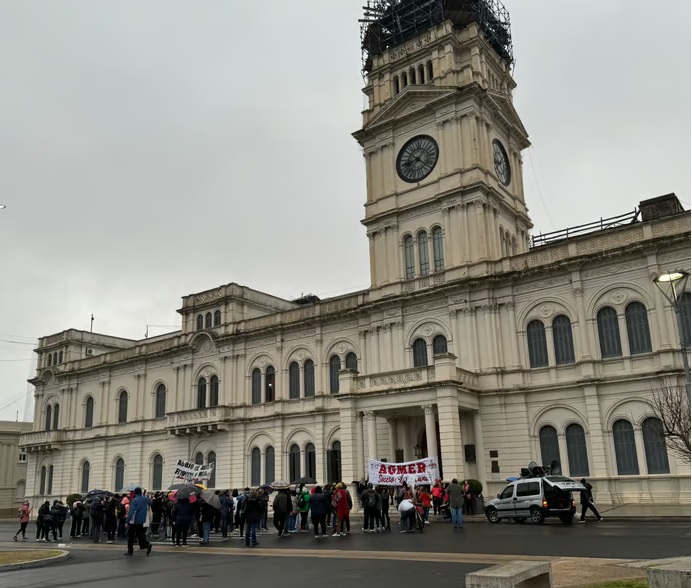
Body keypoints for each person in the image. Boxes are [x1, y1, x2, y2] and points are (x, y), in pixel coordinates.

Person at [124, 487, 152, 556]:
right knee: (139, 534)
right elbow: (151, 504)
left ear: (135, 493)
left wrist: (127, 521)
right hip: (142, 519)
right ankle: (147, 544)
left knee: (130, 535)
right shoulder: (145, 499)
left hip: (134, 520)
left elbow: (131, 512)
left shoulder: (134, 500)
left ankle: (130, 550)